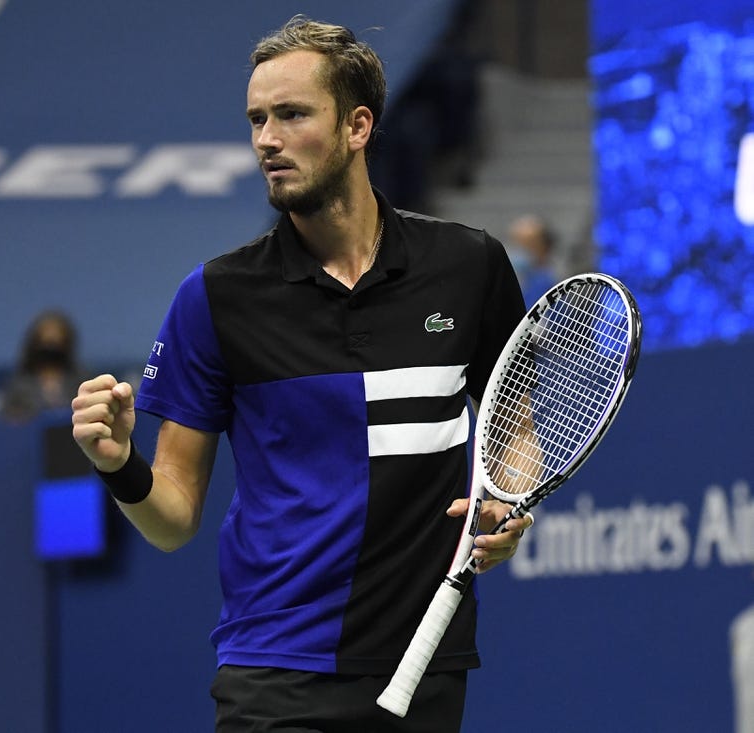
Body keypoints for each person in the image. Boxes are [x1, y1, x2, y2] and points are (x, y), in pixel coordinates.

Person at [72, 16, 532, 732]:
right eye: (257, 119)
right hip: (277, 673)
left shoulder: (468, 266)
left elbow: (517, 422)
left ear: (357, 126)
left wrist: (505, 504)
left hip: (426, 666)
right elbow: (171, 519)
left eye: (290, 115)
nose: (266, 140)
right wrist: (117, 463)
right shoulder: (215, 298)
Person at [2, 309, 85, 421]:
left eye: (56, 343)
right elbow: (10, 418)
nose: (51, 346)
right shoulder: (20, 385)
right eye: (46, 343)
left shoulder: (81, 380)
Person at [507, 214, 559, 307]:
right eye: (517, 243)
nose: (521, 250)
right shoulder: (508, 282)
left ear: (544, 247)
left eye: (527, 244)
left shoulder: (550, 284)